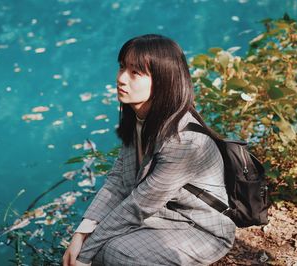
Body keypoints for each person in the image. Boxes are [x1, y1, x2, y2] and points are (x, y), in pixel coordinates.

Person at [62, 34, 236, 266]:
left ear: (164, 80)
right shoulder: (140, 118)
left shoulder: (184, 141)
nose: (121, 79)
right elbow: (117, 182)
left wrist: (83, 256)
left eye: (136, 73)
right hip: (163, 215)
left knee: (116, 253)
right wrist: (80, 234)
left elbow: (138, 205)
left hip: (200, 228)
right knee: (97, 245)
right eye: (122, 67)